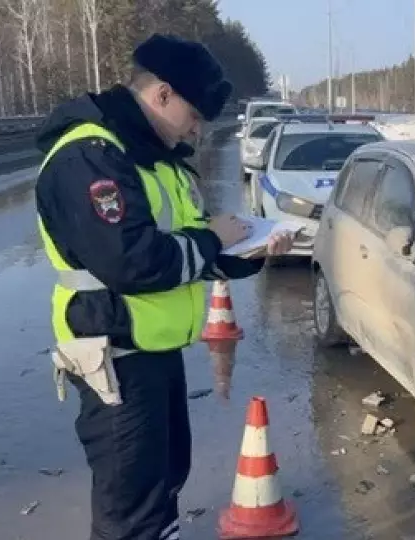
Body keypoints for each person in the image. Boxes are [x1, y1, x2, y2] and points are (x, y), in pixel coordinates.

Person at [34, 33, 293, 540]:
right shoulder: (92, 156)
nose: (196, 131)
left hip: (153, 352)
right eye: (194, 116)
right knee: (132, 515)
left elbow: (188, 255)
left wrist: (249, 251)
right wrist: (211, 239)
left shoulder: (151, 155)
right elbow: (134, 262)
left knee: (162, 487)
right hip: (115, 356)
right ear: (162, 94)